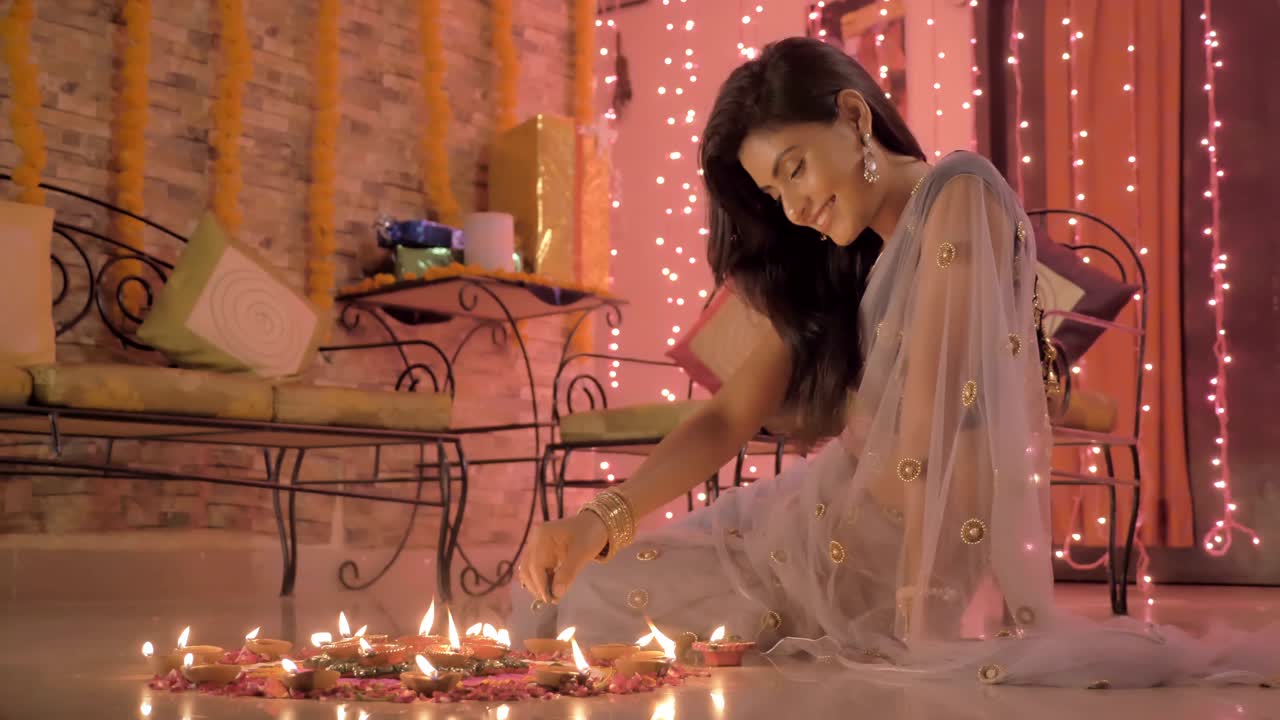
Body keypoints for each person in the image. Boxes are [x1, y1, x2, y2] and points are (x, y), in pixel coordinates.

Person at [510, 37, 1278, 688]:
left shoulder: (959, 195)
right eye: (773, 192)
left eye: (796, 168)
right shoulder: (845, 259)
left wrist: (921, 614)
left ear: (852, 116)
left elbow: (948, 423)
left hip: (882, 565)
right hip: (810, 528)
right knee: (567, 590)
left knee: (590, 610)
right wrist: (597, 520)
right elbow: (724, 415)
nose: (793, 208)